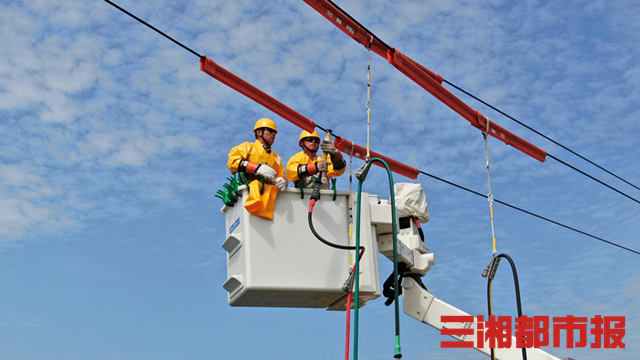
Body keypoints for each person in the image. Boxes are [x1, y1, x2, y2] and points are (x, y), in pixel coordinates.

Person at [227, 118, 287, 191]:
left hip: (271, 198)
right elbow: (233, 161)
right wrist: (256, 168)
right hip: (250, 195)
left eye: (275, 132)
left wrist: (283, 181)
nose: (273, 134)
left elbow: (281, 176)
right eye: (270, 131)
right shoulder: (247, 147)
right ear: (259, 132)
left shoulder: (276, 158)